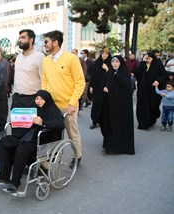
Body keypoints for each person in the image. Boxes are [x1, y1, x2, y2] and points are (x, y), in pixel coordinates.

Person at [0, 90, 64, 193]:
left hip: (42, 141)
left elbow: (60, 124)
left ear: (47, 100)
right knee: (5, 142)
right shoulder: (34, 110)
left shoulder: (52, 110)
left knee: (22, 149)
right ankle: (3, 175)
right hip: (27, 136)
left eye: (41, 98)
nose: (38, 101)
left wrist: (43, 122)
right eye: (37, 98)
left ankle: (14, 182)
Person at [41, 30, 85, 166]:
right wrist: (43, 99)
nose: (45, 44)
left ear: (55, 42)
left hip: (68, 105)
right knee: (53, 134)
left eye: (46, 41)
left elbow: (80, 82)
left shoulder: (71, 59)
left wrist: (72, 103)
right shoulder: (46, 60)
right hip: (52, 106)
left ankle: (77, 156)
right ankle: (52, 158)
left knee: (72, 133)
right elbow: (45, 82)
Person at [99, 55, 135, 155]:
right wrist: (104, 88)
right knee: (109, 124)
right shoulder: (109, 73)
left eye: (117, 62)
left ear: (121, 63)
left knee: (119, 125)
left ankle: (120, 146)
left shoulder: (124, 74)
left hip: (121, 107)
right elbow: (104, 84)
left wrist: (117, 77)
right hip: (109, 105)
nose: (114, 64)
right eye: (113, 62)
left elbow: (127, 88)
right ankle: (109, 145)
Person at [12, 29, 45, 110]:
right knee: (16, 123)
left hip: (32, 99)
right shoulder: (19, 57)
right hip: (16, 99)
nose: (20, 40)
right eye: (19, 38)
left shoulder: (40, 57)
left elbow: (44, 79)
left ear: (31, 40)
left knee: (32, 123)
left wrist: (42, 99)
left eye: (23, 37)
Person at [135, 52, 167, 130]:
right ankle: (143, 123)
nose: (148, 59)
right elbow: (137, 73)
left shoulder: (158, 65)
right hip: (143, 90)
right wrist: (143, 62)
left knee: (153, 106)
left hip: (153, 90)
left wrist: (158, 81)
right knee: (141, 106)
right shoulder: (143, 64)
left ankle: (151, 119)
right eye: (147, 58)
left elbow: (164, 75)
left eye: (149, 58)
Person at [89, 48, 112, 129]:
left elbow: (113, 76)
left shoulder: (111, 63)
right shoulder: (97, 63)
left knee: (104, 105)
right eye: (103, 53)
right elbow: (93, 75)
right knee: (95, 104)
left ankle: (103, 121)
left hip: (105, 88)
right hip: (96, 87)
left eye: (106, 54)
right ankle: (94, 121)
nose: (104, 55)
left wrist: (107, 69)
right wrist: (91, 86)